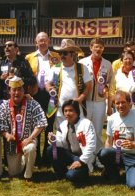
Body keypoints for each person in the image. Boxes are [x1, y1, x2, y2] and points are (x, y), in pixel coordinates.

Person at [0, 76, 48, 181]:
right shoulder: (4, 106)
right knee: (14, 173)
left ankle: (28, 175)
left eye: (19, 89)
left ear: (24, 91)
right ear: (9, 91)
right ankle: (24, 161)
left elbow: (42, 122)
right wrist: (6, 135)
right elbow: (0, 124)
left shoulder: (33, 103)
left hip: (27, 141)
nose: (17, 93)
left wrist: (30, 138)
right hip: (12, 144)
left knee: (31, 148)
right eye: (14, 90)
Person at [25, 32, 61, 167]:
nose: (43, 43)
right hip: (35, 94)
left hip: (51, 94)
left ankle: (47, 156)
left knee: (50, 125)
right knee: (36, 124)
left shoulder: (56, 57)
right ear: (36, 43)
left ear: (49, 41)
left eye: (45, 40)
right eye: (40, 40)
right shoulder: (29, 57)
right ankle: (36, 157)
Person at [79, 37, 113, 168]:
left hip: (99, 102)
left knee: (98, 131)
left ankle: (98, 158)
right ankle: (87, 159)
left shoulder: (107, 64)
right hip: (86, 101)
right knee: (86, 130)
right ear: (91, 47)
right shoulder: (82, 62)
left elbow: (111, 86)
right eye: (96, 46)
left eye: (101, 47)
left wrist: (109, 105)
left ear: (103, 49)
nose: (98, 49)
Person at [46, 39, 92, 129]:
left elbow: (88, 85)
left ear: (73, 54)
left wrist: (80, 99)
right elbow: (48, 83)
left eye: (65, 53)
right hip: (59, 108)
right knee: (61, 134)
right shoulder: (55, 68)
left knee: (78, 133)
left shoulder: (82, 68)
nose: (62, 55)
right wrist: (50, 89)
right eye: (61, 53)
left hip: (76, 108)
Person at [47, 100, 96, 182]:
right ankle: (61, 173)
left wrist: (81, 161)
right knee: (51, 149)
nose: (67, 113)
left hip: (82, 158)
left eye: (70, 110)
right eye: (65, 111)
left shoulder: (86, 124)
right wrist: (53, 140)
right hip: (69, 155)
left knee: (71, 176)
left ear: (77, 111)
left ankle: (82, 171)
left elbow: (91, 146)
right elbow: (60, 143)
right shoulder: (62, 125)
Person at [98, 90, 135, 189]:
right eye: (117, 103)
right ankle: (114, 174)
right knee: (104, 153)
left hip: (132, 156)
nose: (120, 105)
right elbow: (109, 141)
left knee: (133, 185)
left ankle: (130, 172)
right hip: (117, 154)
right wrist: (107, 160)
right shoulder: (111, 119)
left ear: (129, 102)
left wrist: (133, 144)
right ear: (114, 105)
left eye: (123, 102)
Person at [108, 51, 135, 115]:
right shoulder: (116, 74)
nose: (128, 61)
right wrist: (109, 107)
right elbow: (111, 91)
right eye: (125, 59)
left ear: (133, 60)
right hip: (120, 106)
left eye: (130, 59)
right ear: (121, 61)